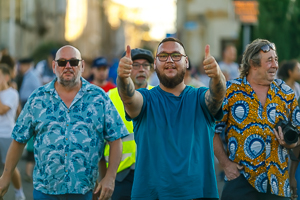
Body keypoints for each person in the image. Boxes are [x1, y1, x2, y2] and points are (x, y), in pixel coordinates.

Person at [0, 45, 129, 200]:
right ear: (54, 66)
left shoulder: (99, 98)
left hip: (84, 192)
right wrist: (6, 177)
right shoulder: (38, 99)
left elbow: (116, 139)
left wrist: (110, 177)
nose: (68, 66)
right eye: (62, 62)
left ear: (82, 66)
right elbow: (18, 141)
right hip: (45, 192)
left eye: (73, 62)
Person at [117, 37, 226, 199]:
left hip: (198, 194)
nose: (169, 60)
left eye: (176, 55)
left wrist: (217, 76)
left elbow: (217, 97)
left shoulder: (199, 98)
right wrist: (123, 78)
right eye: (163, 56)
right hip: (151, 195)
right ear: (155, 63)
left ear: (186, 62)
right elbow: (129, 98)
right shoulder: (146, 99)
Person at [213, 39, 300, 200]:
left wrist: (290, 143)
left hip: (278, 184)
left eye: (276, 60)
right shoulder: (231, 91)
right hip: (240, 181)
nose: (275, 65)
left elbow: (298, 135)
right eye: (269, 60)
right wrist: (225, 164)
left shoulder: (287, 93)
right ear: (253, 63)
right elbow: (212, 130)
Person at [99, 48, 155, 200]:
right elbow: (98, 143)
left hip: (153, 174)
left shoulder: (159, 97)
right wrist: (103, 178)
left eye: (145, 65)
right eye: (135, 65)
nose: (141, 69)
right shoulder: (109, 97)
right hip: (120, 176)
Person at [0, 64, 25, 200]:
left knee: (9, 166)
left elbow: (3, 110)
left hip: (6, 135)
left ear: (7, 77)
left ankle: (19, 192)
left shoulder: (12, 93)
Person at [277, 60, 300, 200]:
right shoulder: (281, 88)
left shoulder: (297, 87)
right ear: (290, 72)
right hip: (287, 130)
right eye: (298, 69)